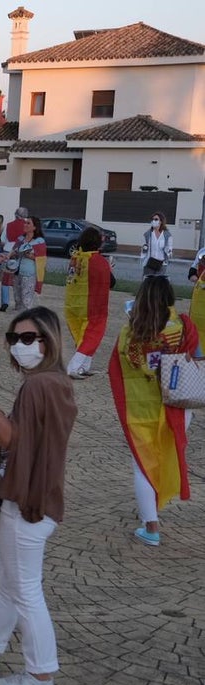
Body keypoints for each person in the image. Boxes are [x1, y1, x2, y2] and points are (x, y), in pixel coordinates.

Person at [0, 306, 77, 685]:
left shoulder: (39, 386)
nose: (19, 346)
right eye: (14, 339)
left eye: (29, 338)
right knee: (8, 578)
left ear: (48, 340)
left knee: (25, 589)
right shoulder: (56, 382)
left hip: (28, 500)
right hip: (36, 496)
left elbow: (11, 439)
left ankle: (40, 674)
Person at [109, 276, 198, 546]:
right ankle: (155, 508)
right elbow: (199, 357)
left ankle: (151, 526)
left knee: (143, 464)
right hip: (178, 406)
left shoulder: (130, 331)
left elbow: (116, 367)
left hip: (141, 410)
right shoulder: (182, 326)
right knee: (164, 455)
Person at [63, 227, 112, 379]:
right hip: (91, 307)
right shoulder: (99, 261)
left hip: (72, 306)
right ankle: (73, 367)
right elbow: (111, 282)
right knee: (92, 336)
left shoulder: (75, 257)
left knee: (83, 337)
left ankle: (84, 367)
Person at [11, 216, 46, 311]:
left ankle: (26, 322)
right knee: (18, 300)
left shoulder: (39, 241)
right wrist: (13, 254)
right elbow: (13, 252)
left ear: (35, 227)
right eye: (25, 223)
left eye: (28, 223)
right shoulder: (20, 239)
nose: (25, 225)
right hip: (17, 273)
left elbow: (42, 260)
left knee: (26, 302)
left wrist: (28, 255)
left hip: (29, 275)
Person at [0, 207, 31, 311]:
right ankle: (20, 303)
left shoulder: (8, 225)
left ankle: (5, 302)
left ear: (15, 215)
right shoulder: (28, 227)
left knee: (6, 279)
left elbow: (3, 241)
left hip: (8, 252)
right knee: (20, 279)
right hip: (21, 254)